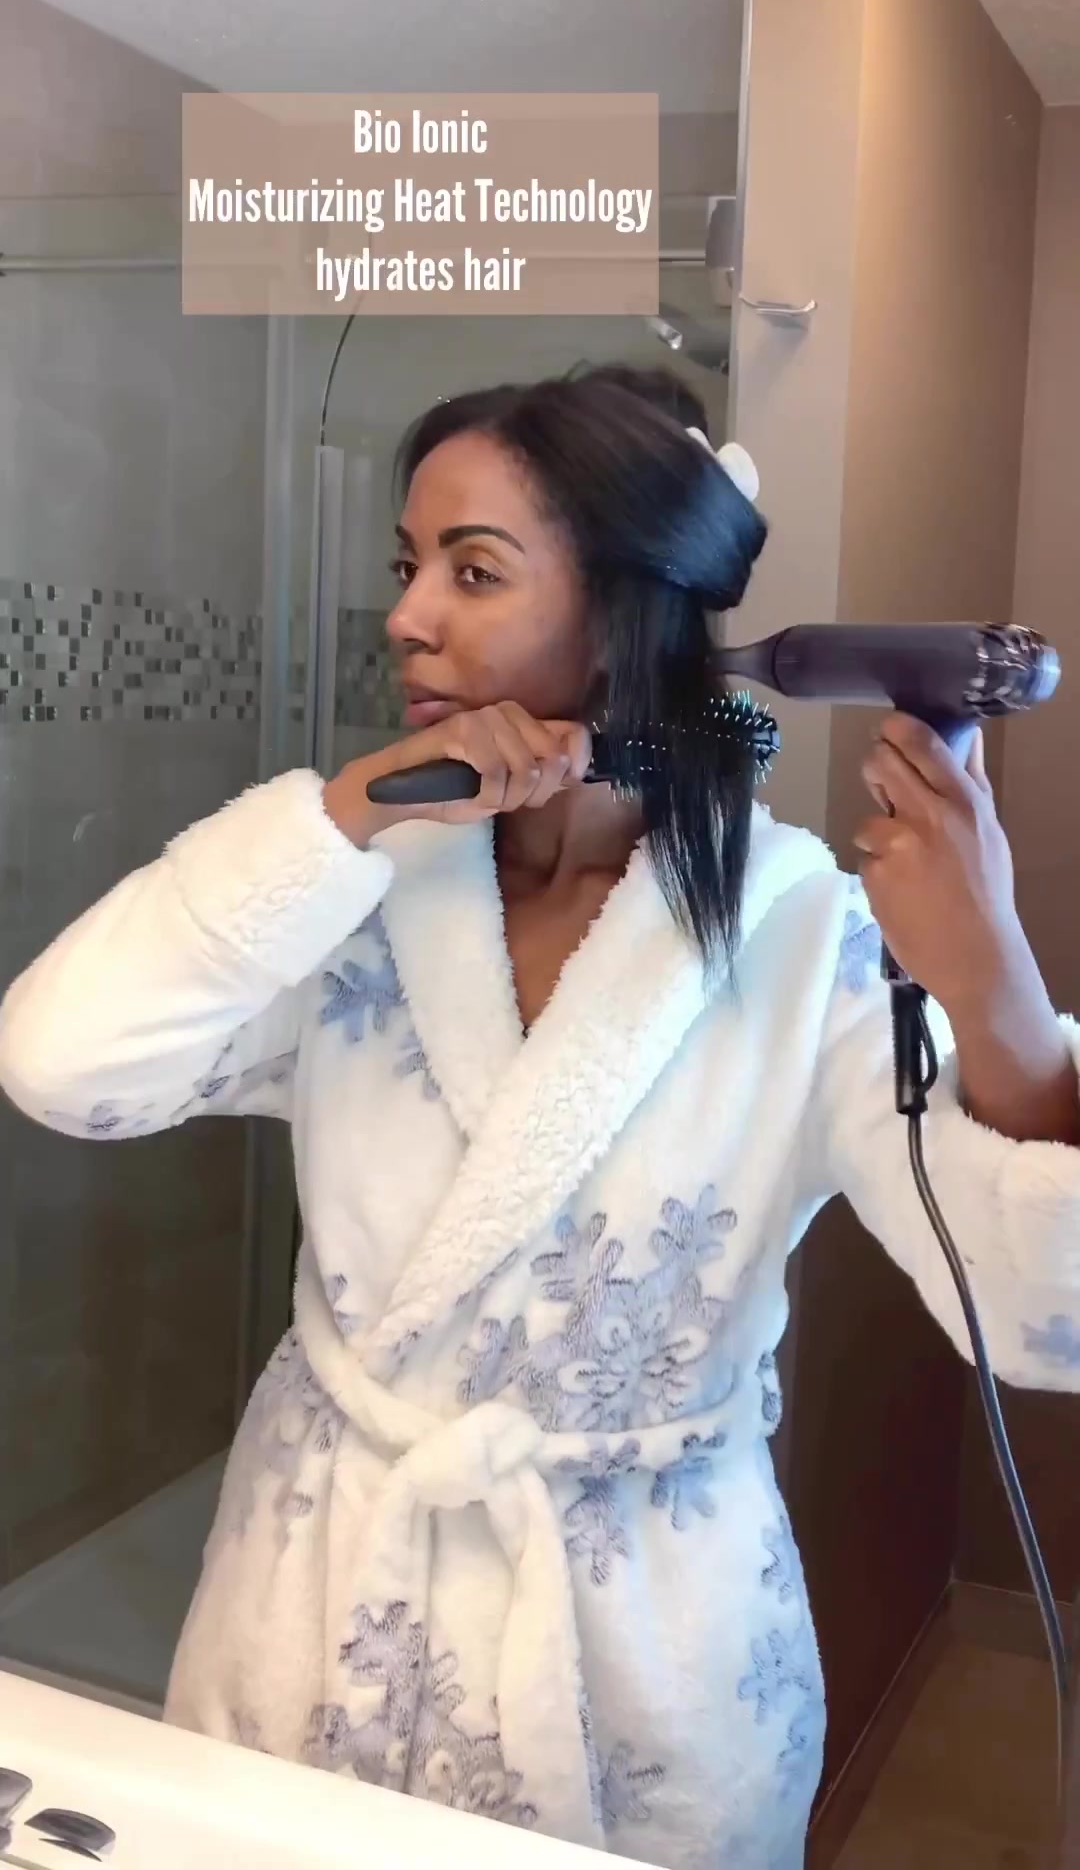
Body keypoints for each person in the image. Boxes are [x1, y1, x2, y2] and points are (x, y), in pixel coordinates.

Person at [1, 362, 1078, 1870]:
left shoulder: (800, 937)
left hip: (640, 1669)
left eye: (473, 570)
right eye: (407, 563)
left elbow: (1043, 1318)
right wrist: (345, 813)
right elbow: (62, 1064)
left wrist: (997, 987)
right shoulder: (356, 891)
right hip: (316, 1608)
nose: (405, 616)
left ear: (627, 615)